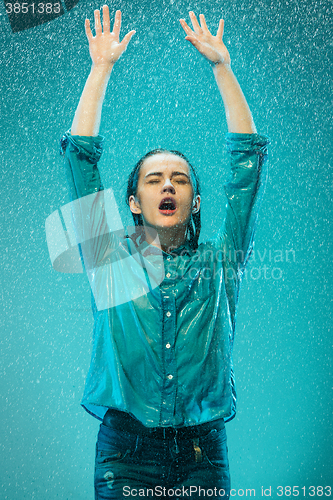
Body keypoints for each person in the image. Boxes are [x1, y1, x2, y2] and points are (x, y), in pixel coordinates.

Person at [59, 5, 269, 499]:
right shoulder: (108, 261)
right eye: (154, 179)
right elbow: (79, 163)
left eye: (179, 178)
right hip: (124, 455)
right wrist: (100, 69)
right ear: (134, 201)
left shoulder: (221, 264)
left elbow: (248, 165)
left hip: (203, 454)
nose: (167, 184)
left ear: (195, 202)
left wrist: (223, 67)